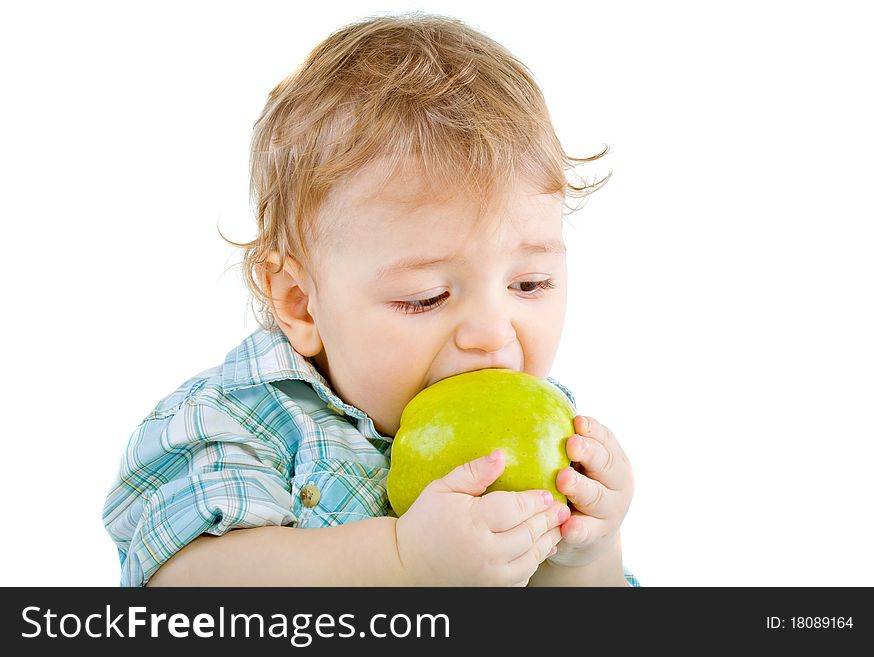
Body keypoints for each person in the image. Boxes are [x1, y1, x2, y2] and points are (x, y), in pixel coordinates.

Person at [102, 12, 639, 587]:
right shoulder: (239, 421)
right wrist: (403, 562)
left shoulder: (554, 428)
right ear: (301, 303)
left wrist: (585, 552)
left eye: (529, 285)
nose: (492, 331)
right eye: (427, 297)